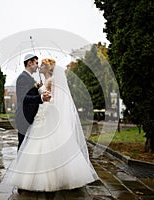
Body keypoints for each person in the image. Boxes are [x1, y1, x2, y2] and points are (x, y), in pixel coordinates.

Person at [8, 58, 99, 192]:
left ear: (49, 68)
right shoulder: (42, 81)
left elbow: (57, 100)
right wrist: (41, 91)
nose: (40, 66)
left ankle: (55, 178)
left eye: (43, 65)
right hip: (41, 115)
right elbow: (33, 96)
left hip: (48, 115)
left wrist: (45, 98)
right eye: (38, 64)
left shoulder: (52, 81)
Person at [15, 54, 51, 150]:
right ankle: (20, 165)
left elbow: (31, 94)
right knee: (23, 146)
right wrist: (41, 98)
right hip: (24, 117)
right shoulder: (23, 77)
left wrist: (40, 89)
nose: (38, 66)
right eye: (36, 63)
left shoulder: (29, 78)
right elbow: (23, 97)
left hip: (30, 117)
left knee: (27, 146)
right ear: (29, 63)